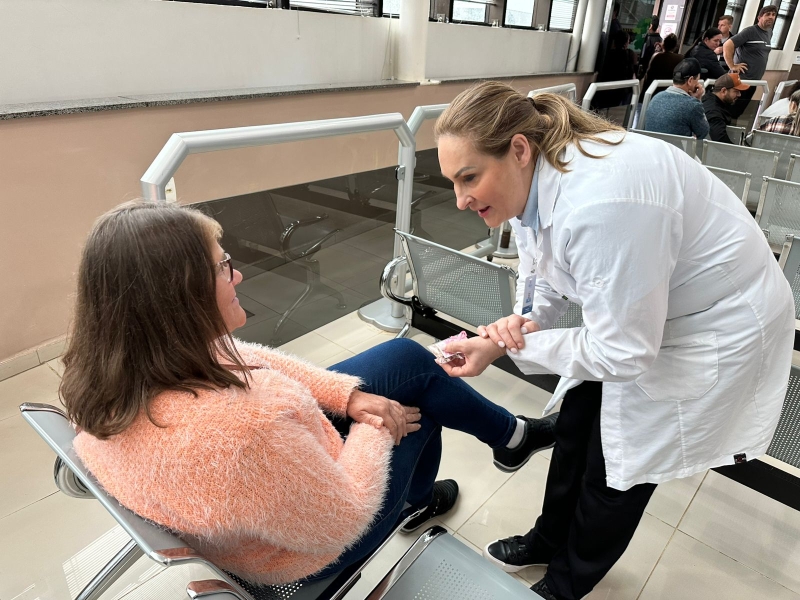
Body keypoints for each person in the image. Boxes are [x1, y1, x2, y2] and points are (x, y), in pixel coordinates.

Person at [61, 201, 558, 586]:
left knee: (407, 359)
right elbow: (344, 518)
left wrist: (347, 397)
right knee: (418, 406)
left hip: (276, 483)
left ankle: (510, 438)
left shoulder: (113, 373)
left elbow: (245, 356)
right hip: (305, 549)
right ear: (178, 296)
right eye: (222, 266)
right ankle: (424, 498)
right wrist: (373, 425)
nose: (238, 275)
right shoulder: (242, 434)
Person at [434, 81, 793, 600]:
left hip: (714, 320)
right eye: (452, 181)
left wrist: (508, 348)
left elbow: (624, 352)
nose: (460, 199)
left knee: (617, 468)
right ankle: (548, 539)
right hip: (651, 312)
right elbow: (542, 271)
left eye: (469, 177)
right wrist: (517, 325)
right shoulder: (536, 177)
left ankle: (565, 585)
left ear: (518, 149)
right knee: (576, 425)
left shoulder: (604, 200)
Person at [723, 5, 777, 118]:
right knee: (728, 111)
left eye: (773, 15)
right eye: (767, 14)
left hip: (753, 82)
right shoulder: (750, 31)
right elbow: (728, 45)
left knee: (737, 113)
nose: (771, 17)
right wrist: (732, 66)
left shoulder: (769, 33)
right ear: (759, 17)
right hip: (740, 80)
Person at [643, 58, 709, 138]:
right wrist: (698, 99)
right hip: (674, 146)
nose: (698, 83)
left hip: (652, 144)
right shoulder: (693, 106)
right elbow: (703, 132)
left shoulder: (656, 97)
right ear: (690, 80)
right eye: (697, 80)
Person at [594, 30, 637, 109]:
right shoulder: (628, 55)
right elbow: (631, 75)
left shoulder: (607, 54)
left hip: (605, 89)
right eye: (628, 41)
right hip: (620, 91)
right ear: (625, 43)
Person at [703, 73, 750, 143]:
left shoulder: (710, 99)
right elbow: (720, 140)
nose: (739, 95)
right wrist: (736, 149)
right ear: (723, 91)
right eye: (736, 91)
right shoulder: (714, 111)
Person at [638, 34, 683, 103]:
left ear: (663, 44)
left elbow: (648, 76)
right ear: (675, 46)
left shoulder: (657, 56)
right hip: (668, 93)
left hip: (653, 91)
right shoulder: (680, 58)